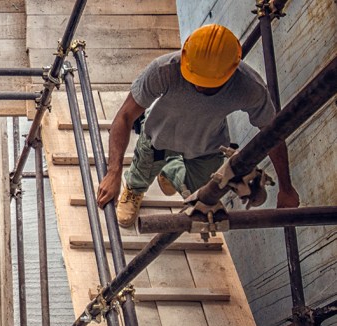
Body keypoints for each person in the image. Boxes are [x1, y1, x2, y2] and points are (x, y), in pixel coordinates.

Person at [96, 23, 299, 227]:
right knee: (142, 171)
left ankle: (170, 171)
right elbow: (124, 116)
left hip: (206, 146)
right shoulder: (164, 70)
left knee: (202, 193)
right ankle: (135, 189)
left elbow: (272, 134)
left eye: (208, 82)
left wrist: (286, 187)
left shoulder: (248, 87)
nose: (199, 85)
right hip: (159, 137)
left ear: (231, 71)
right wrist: (113, 173)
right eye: (194, 77)